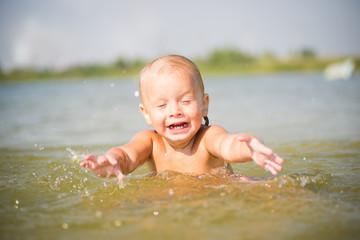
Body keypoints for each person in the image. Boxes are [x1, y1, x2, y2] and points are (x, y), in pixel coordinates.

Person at [80, 55, 283, 181]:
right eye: (161, 105)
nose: (175, 111)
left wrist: (249, 149)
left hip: (221, 194)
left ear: (204, 104)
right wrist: (112, 160)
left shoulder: (208, 137)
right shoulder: (150, 142)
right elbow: (127, 155)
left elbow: (228, 146)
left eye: (185, 101)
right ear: (147, 113)